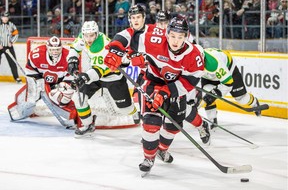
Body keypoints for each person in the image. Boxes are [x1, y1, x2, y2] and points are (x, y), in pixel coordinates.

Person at [104, 16, 210, 174]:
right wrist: (116, 49)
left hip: (176, 88)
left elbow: (190, 81)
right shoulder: (155, 40)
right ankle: (149, 157)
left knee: (173, 125)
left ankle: (162, 149)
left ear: (186, 37)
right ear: (167, 34)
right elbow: (129, 35)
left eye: (180, 37)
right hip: (153, 82)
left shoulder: (193, 55)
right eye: (173, 36)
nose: (175, 41)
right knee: (151, 122)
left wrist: (166, 92)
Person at [67, 21, 139, 138]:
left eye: (91, 36)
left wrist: (85, 77)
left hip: (112, 75)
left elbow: (101, 70)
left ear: (97, 33)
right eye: (86, 35)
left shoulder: (102, 46)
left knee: (124, 109)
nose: (88, 39)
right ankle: (88, 125)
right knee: (79, 97)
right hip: (94, 74)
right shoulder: (82, 37)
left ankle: (134, 111)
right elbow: (75, 47)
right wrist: (72, 59)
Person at [8, 36, 78, 127]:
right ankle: (21, 111)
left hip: (58, 83)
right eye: (52, 49)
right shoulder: (37, 54)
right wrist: (38, 82)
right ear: (47, 48)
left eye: (57, 49)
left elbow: (70, 77)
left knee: (61, 96)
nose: (55, 52)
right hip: (40, 80)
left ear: (61, 48)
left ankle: (74, 116)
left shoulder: (68, 56)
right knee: (30, 100)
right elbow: (30, 71)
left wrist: (63, 86)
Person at [200, 47, 261, 129]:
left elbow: (228, 84)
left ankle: (254, 102)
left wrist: (213, 94)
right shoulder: (190, 60)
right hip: (209, 76)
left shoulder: (214, 63)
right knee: (206, 92)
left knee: (242, 99)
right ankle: (212, 120)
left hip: (229, 71)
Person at [0, 11, 21, 83]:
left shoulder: (11, 25)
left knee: (13, 62)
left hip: (9, 47)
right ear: (1, 17)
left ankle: (16, 78)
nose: (5, 18)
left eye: (6, 17)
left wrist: (11, 42)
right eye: (4, 17)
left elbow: (16, 34)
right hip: (0, 46)